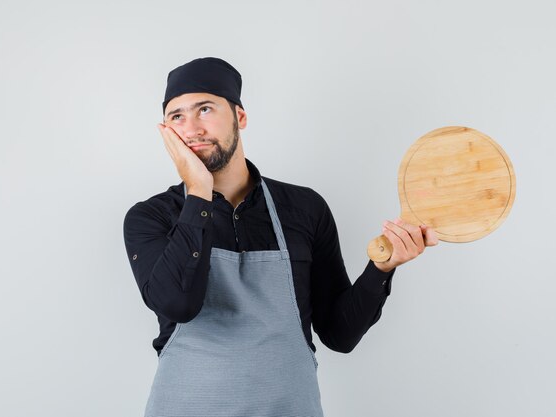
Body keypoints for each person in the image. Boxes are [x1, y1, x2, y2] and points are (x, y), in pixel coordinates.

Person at [123, 57, 438, 416]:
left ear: (239, 117)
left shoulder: (303, 209)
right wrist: (198, 190)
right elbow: (179, 305)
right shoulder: (151, 217)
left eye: (205, 109)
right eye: (176, 116)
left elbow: (340, 334)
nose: (191, 128)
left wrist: (382, 267)